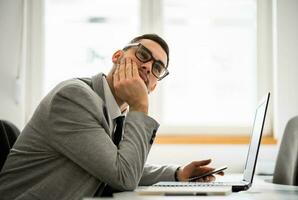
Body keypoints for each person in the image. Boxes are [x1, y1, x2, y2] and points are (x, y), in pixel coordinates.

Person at [0, 34, 222, 200]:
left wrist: (178, 174)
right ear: (117, 57)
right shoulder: (74, 97)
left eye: (157, 68)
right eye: (143, 55)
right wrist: (140, 106)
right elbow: (123, 177)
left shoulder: (117, 114)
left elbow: (118, 166)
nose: (146, 66)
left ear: (153, 86)